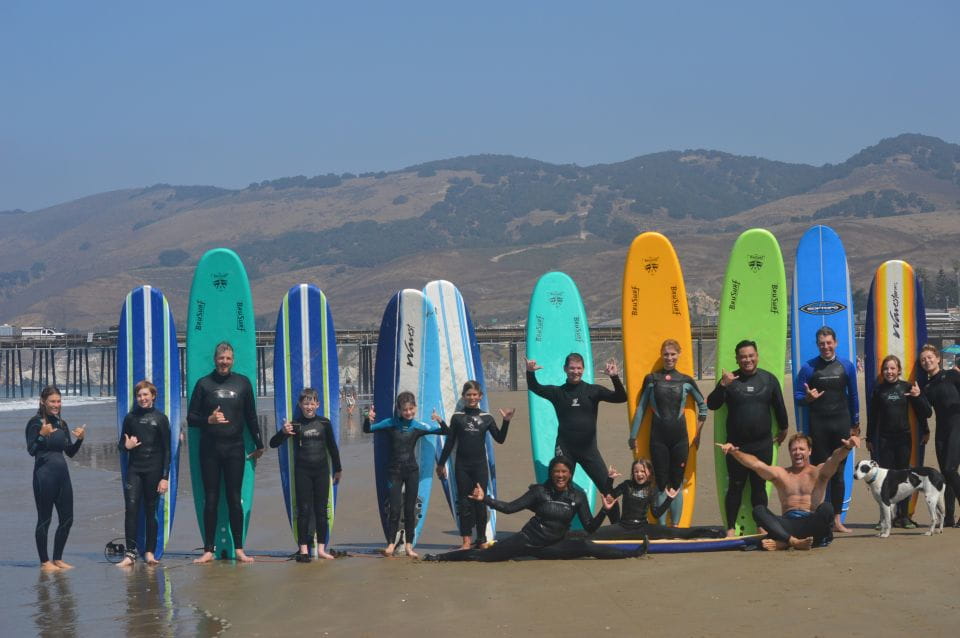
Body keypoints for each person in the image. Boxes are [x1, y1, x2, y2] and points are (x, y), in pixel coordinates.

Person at [429, 456, 646, 561]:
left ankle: (632, 554)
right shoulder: (539, 492)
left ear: (570, 474)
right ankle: (441, 558)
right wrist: (485, 499)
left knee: (587, 546)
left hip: (553, 545)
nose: (560, 475)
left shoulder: (577, 496)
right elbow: (509, 508)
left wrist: (605, 511)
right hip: (527, 540)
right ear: (551, 473)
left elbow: (590, 527)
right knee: (485, 557)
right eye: (556, 471)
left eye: (564, 472)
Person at [187, 341, 264, 564]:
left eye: (228, 358)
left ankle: (239, 549)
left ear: (233, 360)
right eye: (221, 358)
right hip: (209, 449)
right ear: (215, 359)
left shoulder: (243, 383)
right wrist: (208, 420)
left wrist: (258, 443)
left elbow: (251, 416)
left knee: (233, 498)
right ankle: (208, 550)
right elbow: (191, 418)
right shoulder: (204, 384)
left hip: (235, 448)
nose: (224, 362)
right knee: (210, 499)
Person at [718, 432, 859, 550]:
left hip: (811, 521)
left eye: (802, 449)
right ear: (790, 453)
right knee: (759, 510)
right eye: (794, 449)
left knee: (827, 508)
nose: (798, 452)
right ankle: (792, 542)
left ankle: (783, 543)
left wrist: (847, 447)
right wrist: (734, 452)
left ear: (809, 451)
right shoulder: (782, 474)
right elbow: (756, 464)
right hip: (787, 524)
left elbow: (834, 459)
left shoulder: (818, 472)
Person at [707, 339, 789, 536]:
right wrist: (722, 386)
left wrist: (784, 428)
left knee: (759, 486)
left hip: (762, 444)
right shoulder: (730, 380)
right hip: (736, 447)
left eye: (751, 356)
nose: (747, 360)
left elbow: (779, 406)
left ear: (757, 356)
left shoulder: (769, 380)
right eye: (743, 357)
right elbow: (712, 404)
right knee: (735, 486)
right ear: (737, 358)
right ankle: (729, 529)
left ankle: (761, 525)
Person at [628, 339, 707, 525]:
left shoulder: (686, 380)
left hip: (680, 439)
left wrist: (698, 434)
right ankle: (662, 527)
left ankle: (676, 527)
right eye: (666, 354)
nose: (669, 357)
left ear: (678, 355)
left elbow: (703, 407)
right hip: (658, 439)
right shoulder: (652, 379)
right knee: (661, 483)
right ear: (661, 355)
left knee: (677, 483)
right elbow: (641, 408)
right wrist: (633, 435)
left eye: (672, 354)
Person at [526, 354, 626, 495]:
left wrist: (615, 377)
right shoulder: (558, 392)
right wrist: (530, 372)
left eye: (579, 368)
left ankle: (616, 518)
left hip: (589, 450)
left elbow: (621, 398)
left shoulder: (593, 390)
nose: (575, 371)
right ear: (565, 369)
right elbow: (534, 387)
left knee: (608, 491)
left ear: (583, 369)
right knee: (557, 490)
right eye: (572, 368)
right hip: (565, 449)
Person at [364, 392, 447, 558]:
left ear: (415, 408)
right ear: (399, 409)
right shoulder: (391, 424)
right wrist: (368, 418)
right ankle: (390, 545)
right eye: (405, 410)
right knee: (394, 509)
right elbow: (368, 430)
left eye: (411, 409)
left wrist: (439, 419)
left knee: (409, 510)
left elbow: (445, 432)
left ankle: (409, 546)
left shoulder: (418, 426)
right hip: (394, 472)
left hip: (411, 472)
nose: (408, 412)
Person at [794, 325, 859, 533]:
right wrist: (807, 398)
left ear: (835, 343)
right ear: (817, 345)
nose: (826, 347)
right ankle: (819, 519)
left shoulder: (846, 366)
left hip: (841, 423)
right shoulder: (808, 368)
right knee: (820, 473)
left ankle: (837, 520)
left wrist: (855, 423)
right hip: (819, 426)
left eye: (829, 343)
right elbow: (797, 397)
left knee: (838, 474)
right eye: (822, 344)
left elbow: (854, 396)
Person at [436, 380, 514, 549]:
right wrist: (441, 464)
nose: (471, 397)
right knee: (464, 502)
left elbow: (500, 439)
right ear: (463, 397)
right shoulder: (457, 417)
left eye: (474, 395)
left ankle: (482, 540)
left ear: (480, 396)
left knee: (480, 501)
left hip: (479, 467)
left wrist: (506, 421)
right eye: (468, 395)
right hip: (462, 467)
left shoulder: (487, 418)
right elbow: (450, 442)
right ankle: (466, 540)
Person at [270, 387, 343, 562]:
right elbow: (273, 443)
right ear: (300, 404)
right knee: (303, 510)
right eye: (305, 403)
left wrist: (338, 469)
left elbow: (332, 447)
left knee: (321, 511)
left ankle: (322, 549)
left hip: (321, 471)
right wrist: (283, 432)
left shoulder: (324, 423)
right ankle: (303, 550)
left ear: (317, 404)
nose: (309, 406)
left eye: (312, 403)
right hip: (302, 472)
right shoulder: (295, 425)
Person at [866, 354, 932, 528]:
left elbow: (924, 413)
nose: (889, 371)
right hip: (885, 439)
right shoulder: (878, 390)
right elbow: (872, 417)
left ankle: (904, 516)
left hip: (904, 438)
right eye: (886, 368)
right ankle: (884, 518)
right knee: (884, 480)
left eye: (893, 368)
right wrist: (869, 437)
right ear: (882, 371)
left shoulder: (906, 387)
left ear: (899, 370)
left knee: (904, 478)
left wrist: (925, 429)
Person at [590, 458, 725, 541]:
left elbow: (655, 513)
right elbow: (609, 496)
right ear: (633, 473)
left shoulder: (651, 490)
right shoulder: (626, 485)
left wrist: (669, 499)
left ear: (648, 473)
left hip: (643, 528)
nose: (639, 474)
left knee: (676, 533)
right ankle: (569, 536)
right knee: (594, 533)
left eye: (642, 471)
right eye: (636, 471)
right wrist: (610, 479)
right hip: (623, 526)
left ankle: (714, 534)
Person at [25, 385, 85, 571]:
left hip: (63, 477)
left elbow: (70, 452)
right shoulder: (35, 423)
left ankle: (57, 559)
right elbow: (31, 450)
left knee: (68, 519)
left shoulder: (62, 424)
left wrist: (81, 439)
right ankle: (45, 562)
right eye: (52, 401)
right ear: (43, 401)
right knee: (45, 519)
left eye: (58, 401)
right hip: (44, 477)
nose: (56, 405)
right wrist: (41, 436)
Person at [117, 380, 172, 567]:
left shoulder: (161, 419)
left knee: (151, 511)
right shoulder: (130, 418)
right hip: (135, 470)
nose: (142, 398)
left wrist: (165, 477)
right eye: (139, 395)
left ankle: (149, 552)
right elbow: (120, 446)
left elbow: (167, 450)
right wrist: (127, 446)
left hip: (154, 471)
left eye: (145, 395)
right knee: (131, 509)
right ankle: (130, 554)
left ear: (153, 396)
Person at [918, 344, 960, 526]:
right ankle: (949, 517)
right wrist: (918, 396)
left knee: (950, 470)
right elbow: (927, 412)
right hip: (941, 430)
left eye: (929, 357)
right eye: (923, 360)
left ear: (937, 359)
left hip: (957, 426)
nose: (927, 361)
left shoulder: (952, 375)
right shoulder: (926, 387)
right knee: (946, 474)